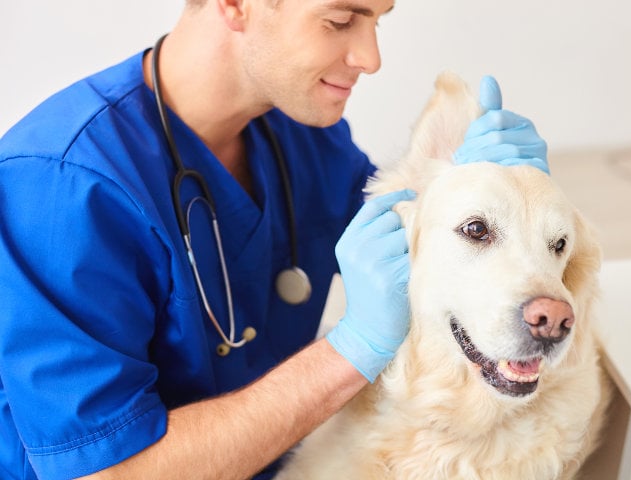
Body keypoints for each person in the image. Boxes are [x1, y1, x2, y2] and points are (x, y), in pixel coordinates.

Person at [0, 1, 548, 479]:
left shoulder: (304, 135)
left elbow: (414, 242)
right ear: (236, 3)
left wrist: (498, 195)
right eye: (340, 20)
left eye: (377, 21)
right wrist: (350, 353)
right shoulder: (61, 185)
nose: (371, 57)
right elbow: (106, 473)